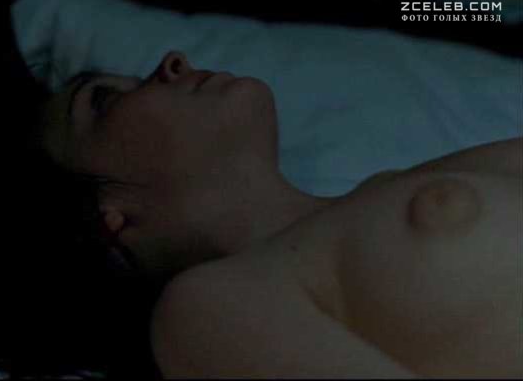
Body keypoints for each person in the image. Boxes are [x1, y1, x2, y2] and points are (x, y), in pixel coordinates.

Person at [34, 50, 522, 378]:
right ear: (106, 217)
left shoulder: (394, 188)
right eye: (105, 99)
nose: (173, 60)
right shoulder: (207, 310)